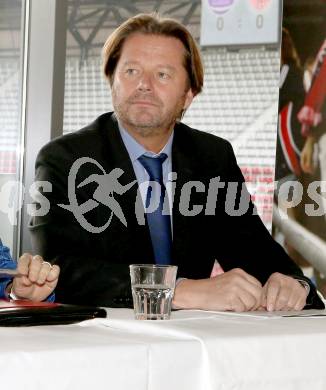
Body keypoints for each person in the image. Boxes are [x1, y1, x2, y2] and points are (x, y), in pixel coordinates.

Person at [30, 13, 324, 311]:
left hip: (193, 348)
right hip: (100, 345)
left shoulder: (212, 157)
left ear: (188, 95)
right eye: (131, 71)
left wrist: (291, 284)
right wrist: (175, 290)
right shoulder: (65, 159)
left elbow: (255, 251)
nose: (144, 85)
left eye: (162, 75)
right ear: (112, 82)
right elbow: (58, 270)